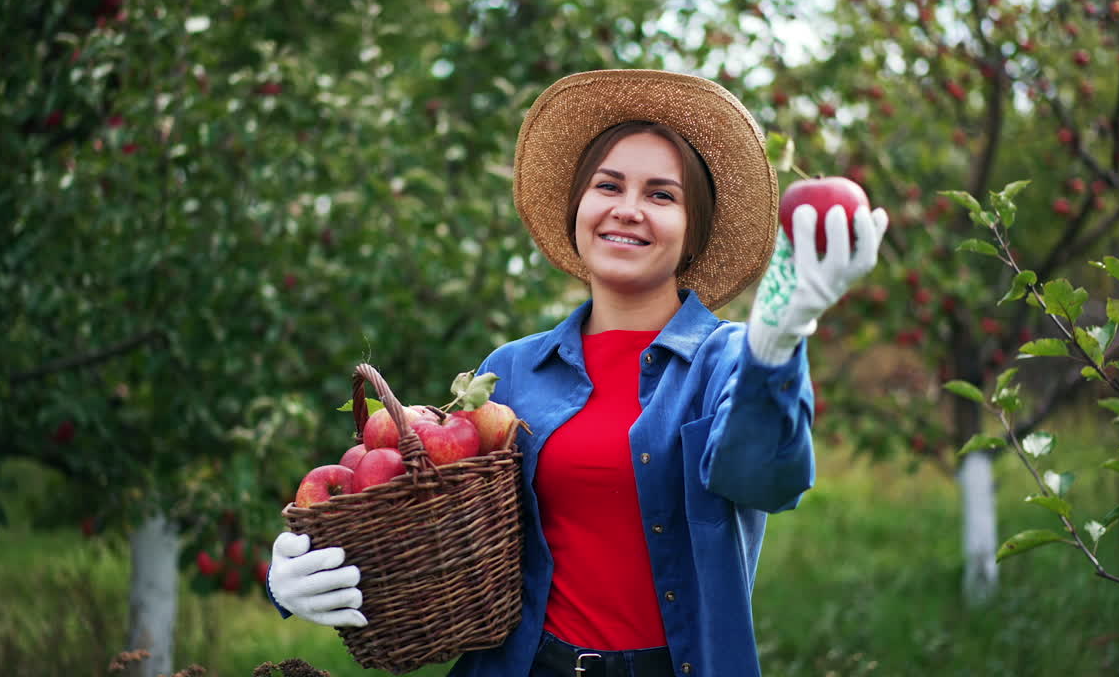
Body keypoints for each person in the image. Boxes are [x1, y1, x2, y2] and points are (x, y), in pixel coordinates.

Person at [266, 69, 889, 677]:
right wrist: (296, 574)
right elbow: (428, 525)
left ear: (693, 229)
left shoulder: (731, 360)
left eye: (661, 195)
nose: (628, 209)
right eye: (608, 186)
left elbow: (766, 480)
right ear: (578, 209)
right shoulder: (508, 372)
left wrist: (777, 340)